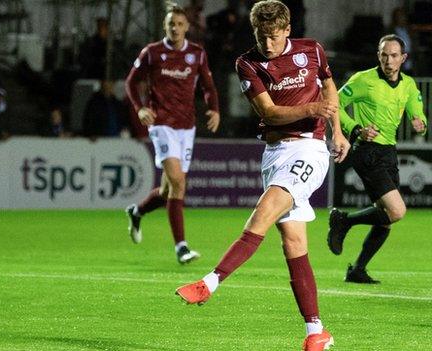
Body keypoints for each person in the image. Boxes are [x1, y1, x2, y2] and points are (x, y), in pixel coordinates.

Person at [174, 1, 349, 350]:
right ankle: (317, 332)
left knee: (262, 214)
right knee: (294, 245)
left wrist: (337, 131)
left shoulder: (311, 49)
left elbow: (328, 86)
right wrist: (313, 107)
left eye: (272, 36)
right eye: (260, 36)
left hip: (309, 150)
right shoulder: (247, 63)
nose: (266, 44)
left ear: (286, 30)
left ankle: (210, 282)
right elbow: (268, 112)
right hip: (274, 153)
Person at [327, 34, 427, 284]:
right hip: (366, 150)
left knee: (385, 219)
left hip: (389, 153)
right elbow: (333, 104)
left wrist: (420, 124)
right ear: (378, 56)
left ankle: (358, 269)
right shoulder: (363, 80)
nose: (388, 60)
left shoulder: (409, 85)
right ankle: (344, 220)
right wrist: (356, 129)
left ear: (403, 58)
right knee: (397, 211)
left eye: (394, 55)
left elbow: (419, 116)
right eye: (384, 54)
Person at [124, 4, 220, 264]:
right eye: (171, 24)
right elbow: (132, 82)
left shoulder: (197, 54)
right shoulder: (152, 53)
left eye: (179, 24)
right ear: (164, 27)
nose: (175, 28)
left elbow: (208, 87)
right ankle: (181, 247)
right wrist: (141, 108)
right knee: (178, 182)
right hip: (161, 124)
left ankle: (137, 211)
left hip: (186, 127)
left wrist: (214, 110)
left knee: (169, 191)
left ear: (187, 27)